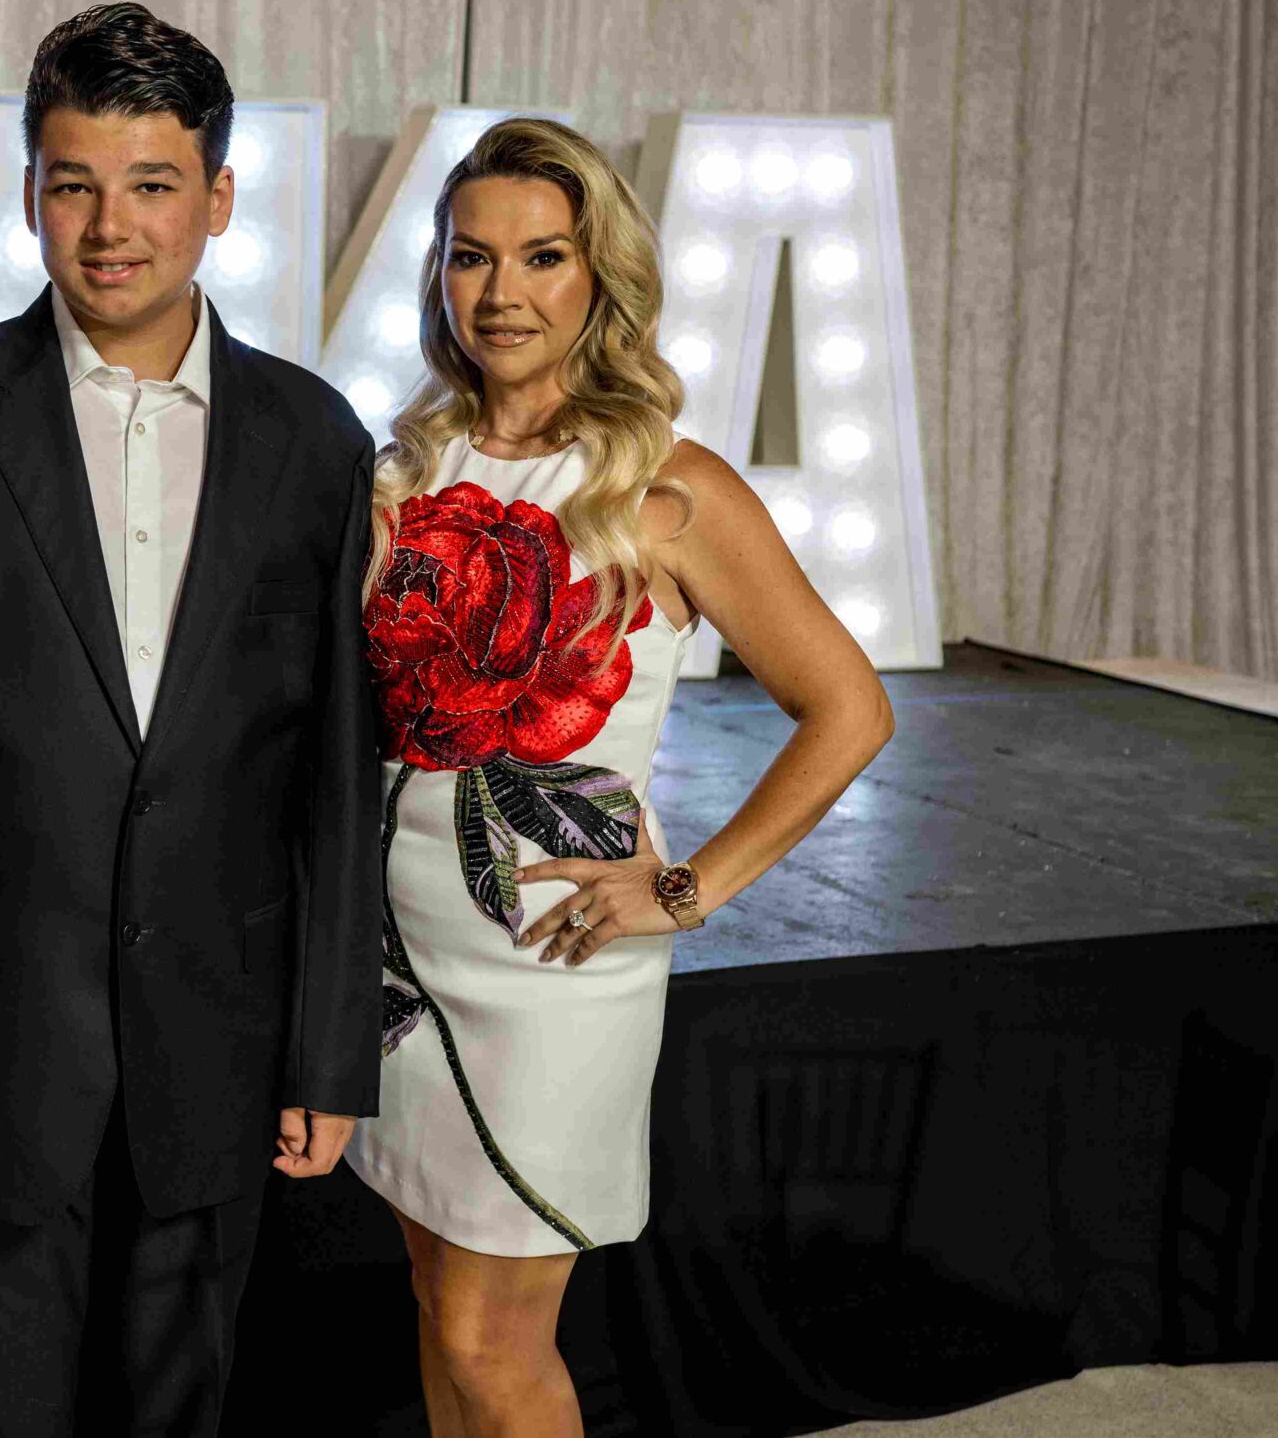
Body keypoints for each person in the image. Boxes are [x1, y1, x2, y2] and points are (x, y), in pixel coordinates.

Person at [0, 2, 382, 1435]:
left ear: (218, 198)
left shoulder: (315, 441)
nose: (111, 228)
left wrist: (329, 1048)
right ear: (30, 191)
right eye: (73, 183)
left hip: (222, 1050)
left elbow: (335, 782)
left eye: (153, 184)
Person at [346, 117, 896, 1435]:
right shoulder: (400, 471)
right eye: (471, 256)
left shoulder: (669, 490)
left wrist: (689, 889)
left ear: (602, 276)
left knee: (491, 1337)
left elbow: (850, 709)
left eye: (543, 256)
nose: (502, 292)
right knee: (436, 1298)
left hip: (555, 964)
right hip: (394, 954)